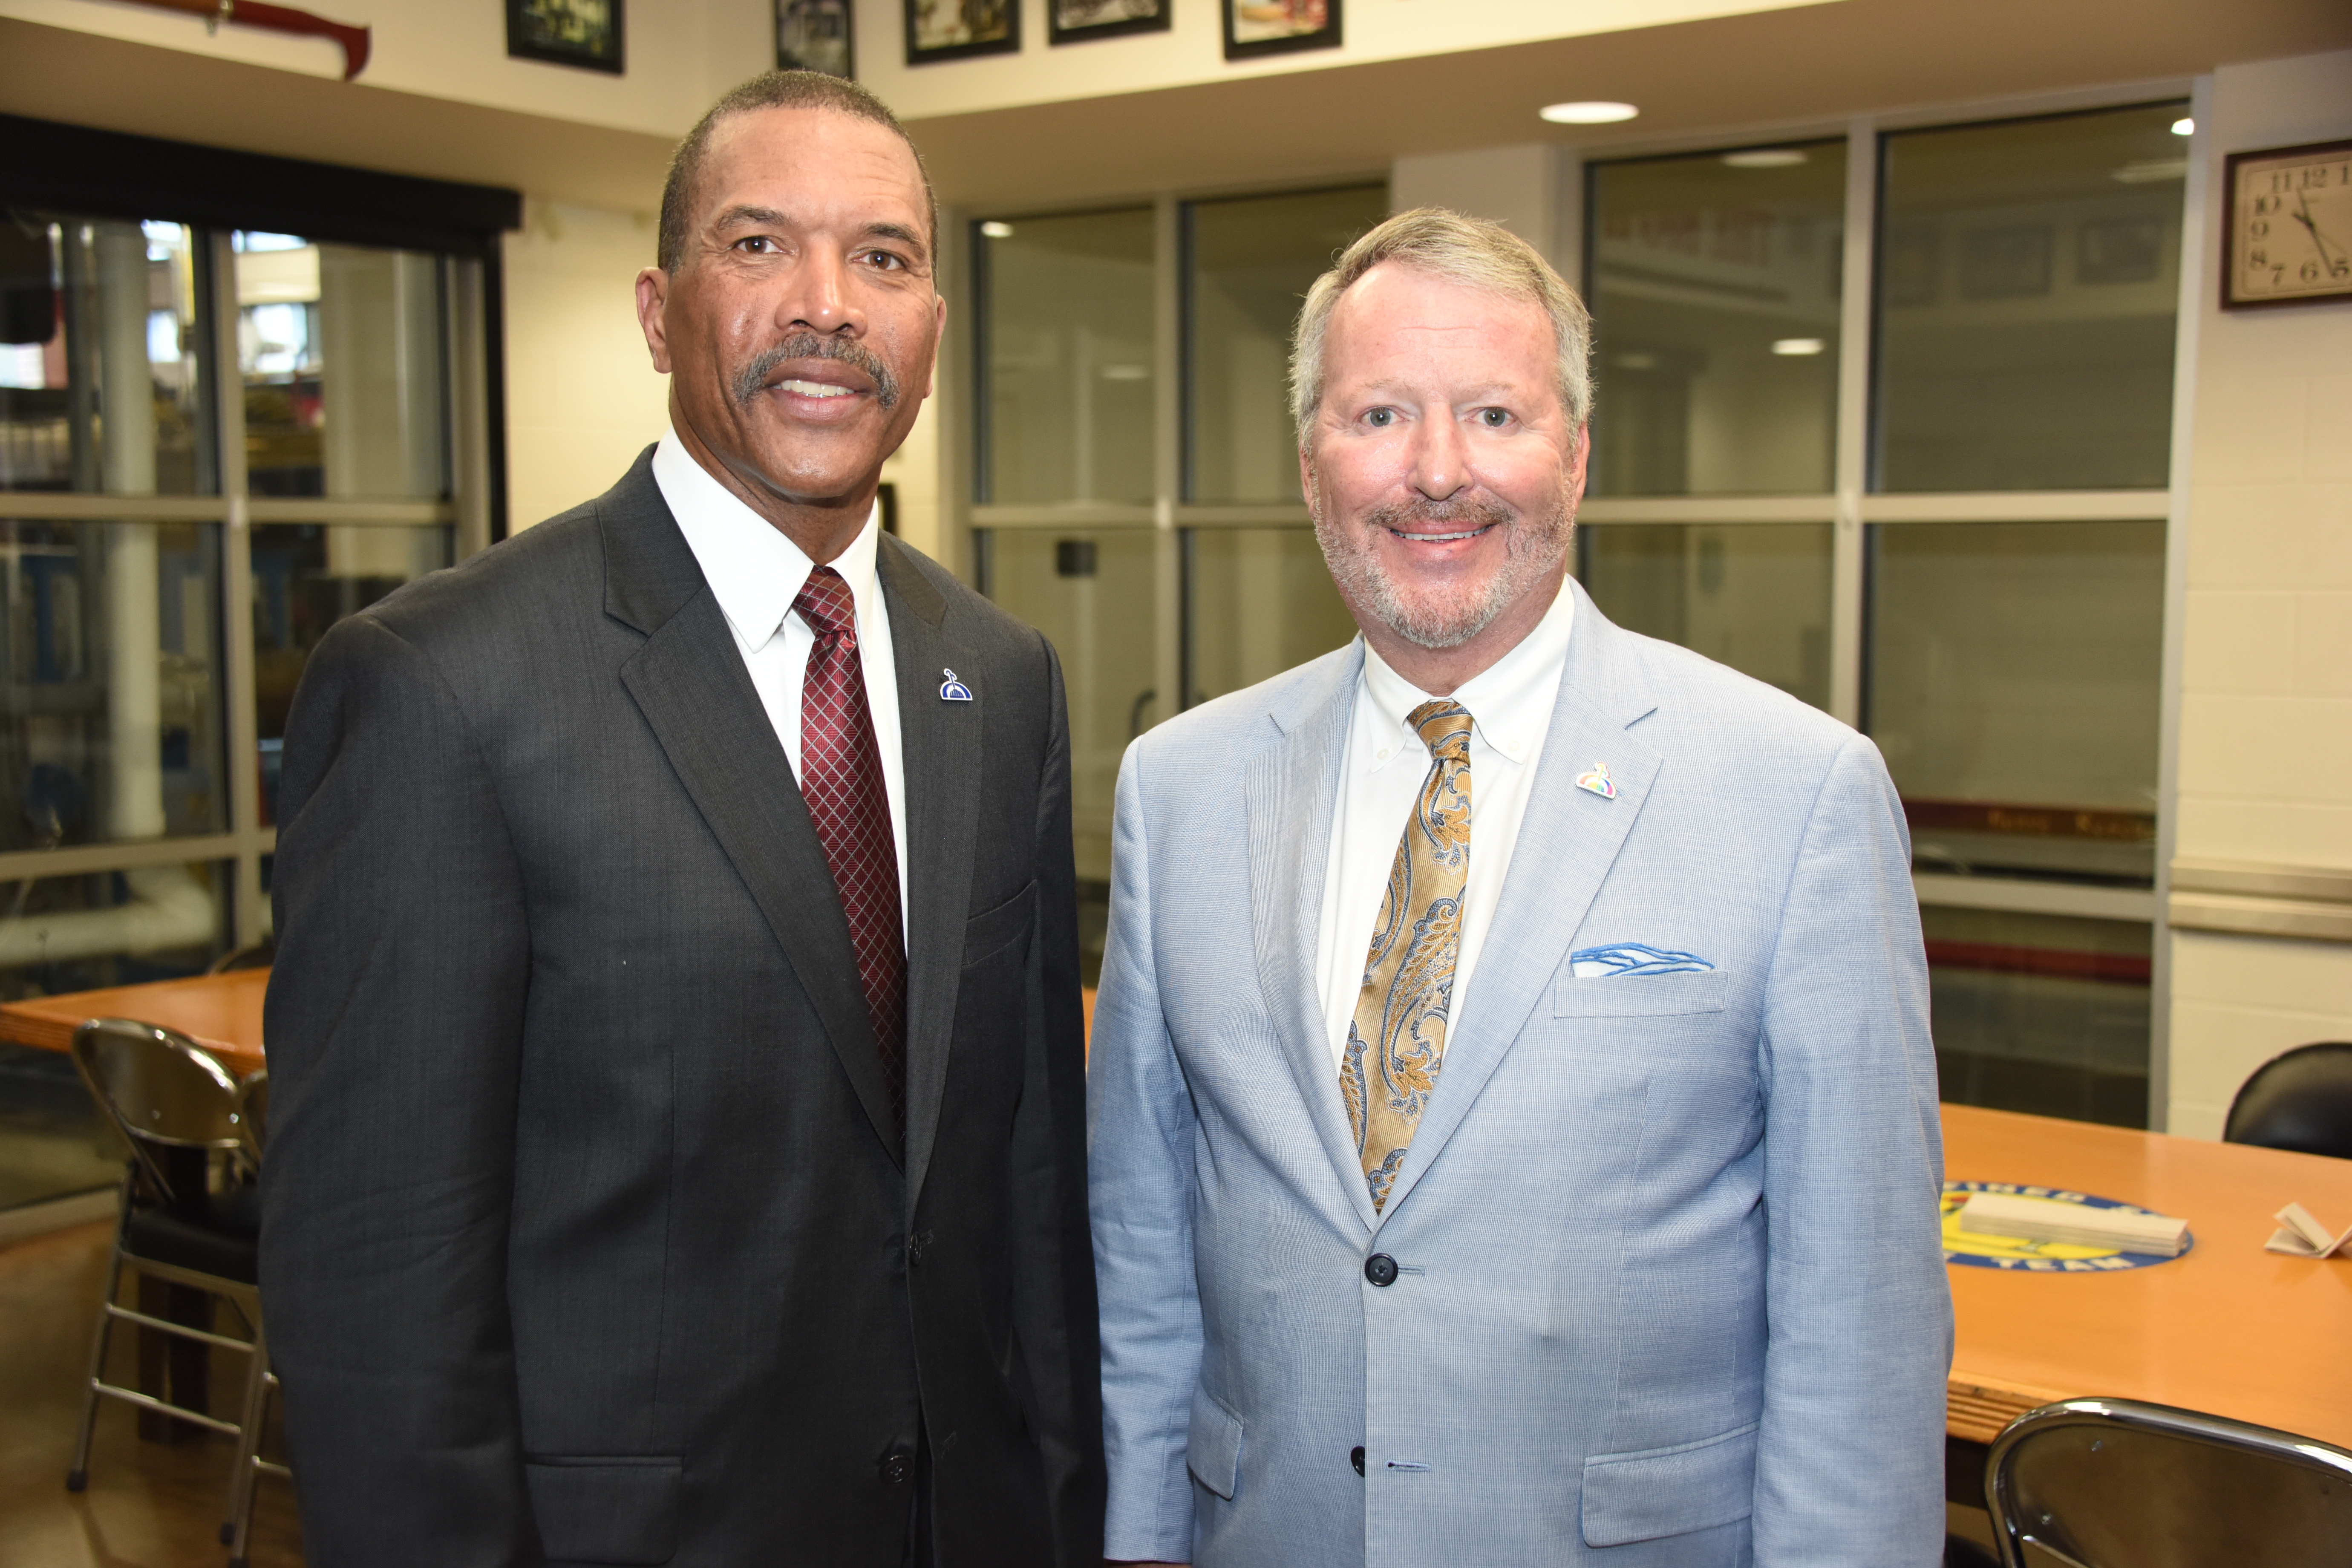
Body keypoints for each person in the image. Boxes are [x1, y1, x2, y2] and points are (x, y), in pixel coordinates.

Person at [261, 71, 1102, 1567]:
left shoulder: (1004, 676)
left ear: (932, 331)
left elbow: (1024, 1193)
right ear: (658, 313)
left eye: (886, 259)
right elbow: (380, 1287)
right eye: (760, 246)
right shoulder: (443, 689)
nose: (830, 306)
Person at [1088, 208, 1950, 1567]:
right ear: (1311, 461)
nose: (1439, 473)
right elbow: (1140, 1256)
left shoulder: (1799, 798)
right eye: (1379, 414)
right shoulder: (1178, 793)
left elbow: (1863, 1324)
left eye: (1495, 413)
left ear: (1579, 453)